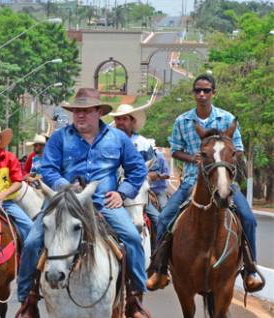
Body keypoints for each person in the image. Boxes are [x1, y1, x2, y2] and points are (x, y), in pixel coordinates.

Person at [15, 88, 151, 318]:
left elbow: (138, 169)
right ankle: (28, 298)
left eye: (86, 111)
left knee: (131, 237)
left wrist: (122, 193)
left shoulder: (118, 138)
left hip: (102, 202)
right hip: (64, 202)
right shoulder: (59, 138)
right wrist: (64, 187)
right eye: (77, 111)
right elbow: (47, 169)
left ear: (98, 112)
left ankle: (134, 298)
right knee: (33, 241)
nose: (80, 116)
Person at [147, 74, 264, 292]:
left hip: (223, 179)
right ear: (193, 93)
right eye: (198, 90)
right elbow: (175, 150)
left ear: (213, 93)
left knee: (248, 219)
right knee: (163, 218)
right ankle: (159, 269)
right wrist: (195, 159)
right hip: (193, 180)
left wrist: (221, 161)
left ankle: (250, 269)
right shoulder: (182, 121)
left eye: (206, 90)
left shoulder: (227, 119)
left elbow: (237, 149)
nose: (202, 94)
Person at [109, 104, 160, 236]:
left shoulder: (143, 143)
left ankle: (156, 254)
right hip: (110, 191)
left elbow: (155, 170)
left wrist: (143, 178)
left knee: (157, 219)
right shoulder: (106, 141)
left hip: (137, 192)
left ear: (133, 121)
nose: (120, 122)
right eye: (118, 119)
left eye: (124, 119)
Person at [150, 143, 170, 209]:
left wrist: (157, 176)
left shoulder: (160, 157)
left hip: (159, 189)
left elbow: (167, 175)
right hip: (146, 190)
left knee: (164, 208)